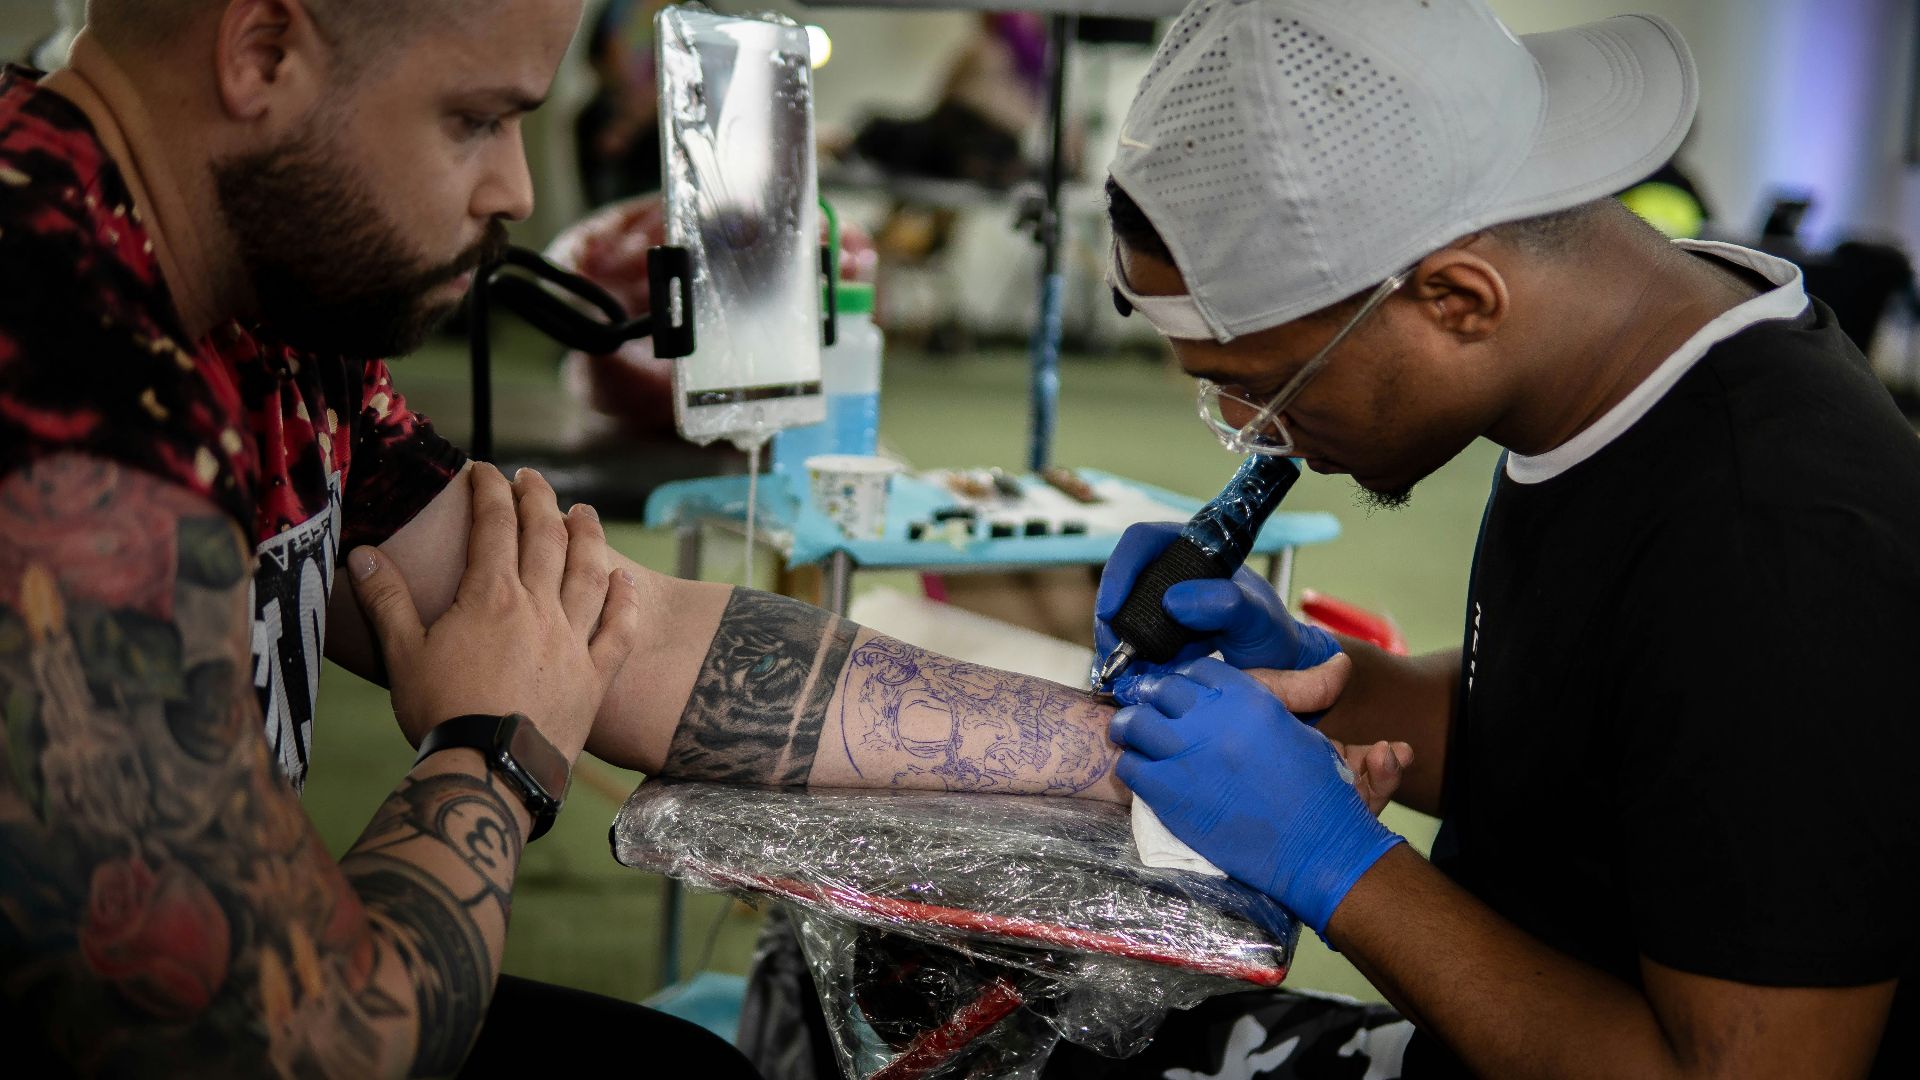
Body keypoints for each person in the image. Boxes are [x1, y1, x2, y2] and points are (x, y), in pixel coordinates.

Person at [1086, 1, 1920, 1077]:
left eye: (1266, 387)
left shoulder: (1779, 545)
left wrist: (1339, 865)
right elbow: (1601, 740)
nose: (1254, 433)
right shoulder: (1610, 371)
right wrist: (1333, 684)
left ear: (1457, 299)